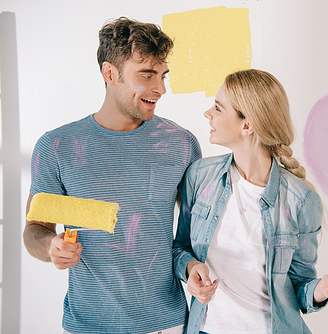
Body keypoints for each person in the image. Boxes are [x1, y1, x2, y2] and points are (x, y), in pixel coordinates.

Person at [23, 17, 201, 334]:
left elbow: (195, 235)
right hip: (88, 324)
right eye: (146, 75)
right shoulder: (56, 147)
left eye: (162, 76)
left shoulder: (181, 144)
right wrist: (51, 246)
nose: (160, 88)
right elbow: (34, 229)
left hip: (167, 323)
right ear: (110, 74)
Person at [173, 69, 328, 334]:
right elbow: (180, 247)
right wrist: (191, 267)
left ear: (247, 125)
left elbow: (300, 286)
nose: (208, 113)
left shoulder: (301, 199)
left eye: (218, 108)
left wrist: (322, 288)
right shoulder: (199, 176)